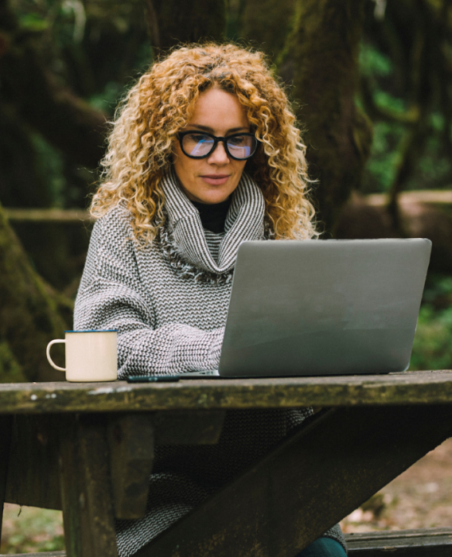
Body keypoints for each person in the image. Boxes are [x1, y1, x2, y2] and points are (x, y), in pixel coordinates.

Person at [74, 44, 347, 557]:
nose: (219, 158)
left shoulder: (282, 231)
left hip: (274, 479)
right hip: (158, 489)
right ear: (163, 142)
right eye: (199, 138)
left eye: (236, 140)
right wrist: (225, 350)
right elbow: (108, 343)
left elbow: (303, 358)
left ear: (259, 144)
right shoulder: (122, 231)